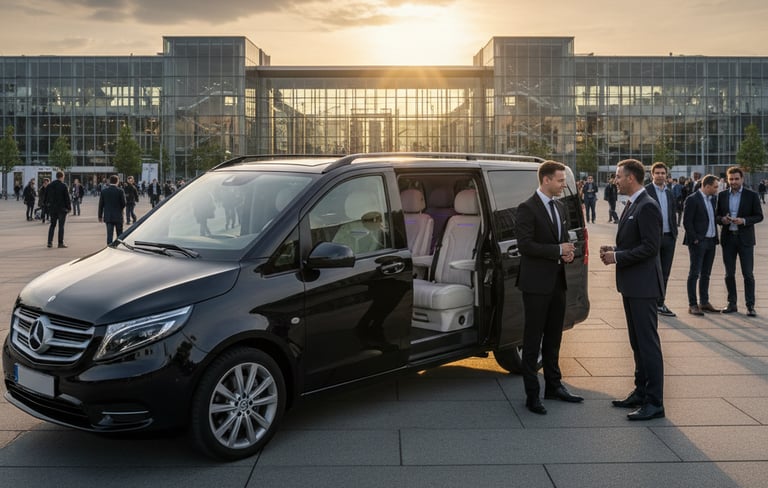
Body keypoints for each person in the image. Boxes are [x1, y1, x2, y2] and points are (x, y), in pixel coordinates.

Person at [600, 159, 665, 421]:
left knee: (648, 345)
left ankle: (655, 402)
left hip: (644, 286)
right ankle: (640, 391)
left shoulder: (647, 205)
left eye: (618, 176)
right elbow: (635, 242)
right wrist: (615, 250)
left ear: (631, 178)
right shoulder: (633, 203)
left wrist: (617, 258)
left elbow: (651, 247)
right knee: (637, 343)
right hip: (632, 284)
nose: (615, 180)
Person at [516, 160, 582, 415]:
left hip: (557, 281)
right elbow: (525, 245)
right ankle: (532, 395)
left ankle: (554, 386)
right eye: (560, 180)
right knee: (533, 340)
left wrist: (566, 252)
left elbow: (563, 240)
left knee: (555, 337)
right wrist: (557, 250)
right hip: (535, 284)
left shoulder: (561, 206)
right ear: (545, 180)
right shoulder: (527, 208)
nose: (564, 184)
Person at [716, 166, 764, 317]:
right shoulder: (722, 195)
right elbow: (716, 215)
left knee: (748, 274)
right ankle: (732, 303)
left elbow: (759, 216)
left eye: (736, 179)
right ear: (727, 179)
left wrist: (743, 220)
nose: (734, 182)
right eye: (731, 179)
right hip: (728, 238)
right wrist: (723, 219)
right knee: (729, 273)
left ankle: (750, 306)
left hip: (745, 239)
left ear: (742, 179)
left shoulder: (752, 195)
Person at [683, 174, 720, 315]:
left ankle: (704, 302)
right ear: (707, 186)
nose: (717, 189)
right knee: (694, 273)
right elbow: (687, 222)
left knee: (706, 274)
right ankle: (692, 304)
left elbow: (711, 218)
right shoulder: (692, 199)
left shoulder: (712, 199)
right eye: (715, 187)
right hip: (699, 242)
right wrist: (695, 239)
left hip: (711, 241)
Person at [645, 162, 678, 317]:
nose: (660, 175)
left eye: (663, 173)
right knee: (652, 272)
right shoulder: (646, 191)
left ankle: (660, 302)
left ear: (666, 175)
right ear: (652, 175)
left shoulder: (670, 192)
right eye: (657, 173)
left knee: (665, 272)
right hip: (653, 238)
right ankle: (650, 302)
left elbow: (672, 213)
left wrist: (674, 233)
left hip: (669, 237)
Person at [98, 174, 127, 245]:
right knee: (119, 234)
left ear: (109, 181)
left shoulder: (104, 191)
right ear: (117, 181)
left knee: (109, 235)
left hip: (108, 216)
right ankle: (119, 247)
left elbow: (101, 205)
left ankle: (109, 247)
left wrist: (100, 216)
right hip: (118, 215)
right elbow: (124, 203)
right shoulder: (120, 191)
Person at [45, 171, 71, 248]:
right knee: (61, 226)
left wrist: (47, 206)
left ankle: (49, 242)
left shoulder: (50, 185)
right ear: (62, 177)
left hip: (52, 209)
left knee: (52, 225)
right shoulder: (63, 186)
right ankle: (60, 243)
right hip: (62, 209)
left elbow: (46, 197)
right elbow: (67, 198)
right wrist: (69, 207)